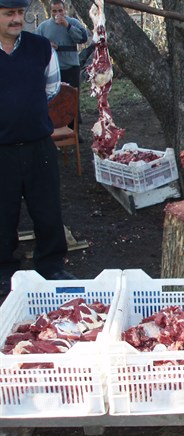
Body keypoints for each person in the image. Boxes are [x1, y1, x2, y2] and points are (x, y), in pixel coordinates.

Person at [0, 0, 76, 298]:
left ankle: (51, 264)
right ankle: (5, 268)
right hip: (1, 150)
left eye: (20, 13)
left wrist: (24, 110)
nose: (17, 20)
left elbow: (52, 88)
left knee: (47, 209)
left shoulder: (40, 47)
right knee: (3, 212)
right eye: (9, 14)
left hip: (37, 145)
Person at [35, 0, 87, 133]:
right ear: (50, 11)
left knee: (72, 100)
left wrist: (67, 26)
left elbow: (83, 38)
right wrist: (46, 46)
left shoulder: (73, 22)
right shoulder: (43, 26)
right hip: (52, 70)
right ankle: (54, 130)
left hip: (71, 67)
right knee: (54, 101)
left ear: (65, 10)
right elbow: (35, 45)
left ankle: (74, 131)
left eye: (60, 11)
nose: (57, 14)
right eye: (54, 11)